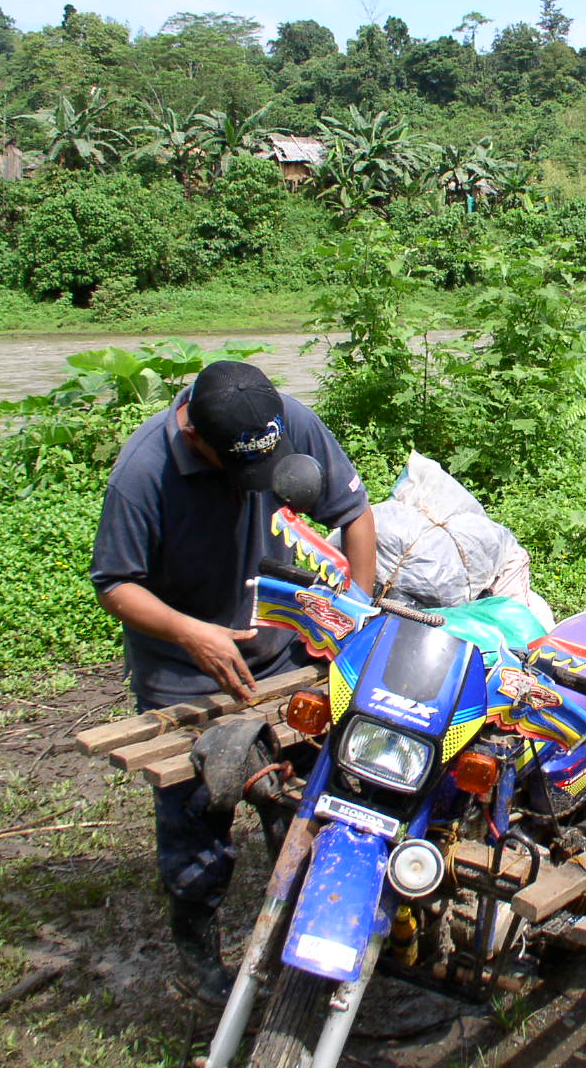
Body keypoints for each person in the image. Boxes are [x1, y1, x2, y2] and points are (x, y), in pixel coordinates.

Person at [89, 359, 376, 1007]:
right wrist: (193, 633)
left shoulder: (282, 423)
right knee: (199, 815)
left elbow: (355, 514)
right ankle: (198, 950)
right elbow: (115, 584)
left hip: (283, 653)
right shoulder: (143, 474)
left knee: (305, 793)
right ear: (195, 436)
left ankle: (300, 922)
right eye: (237, 471)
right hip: (186, 674)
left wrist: (355, 613)